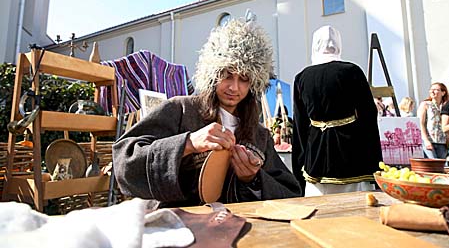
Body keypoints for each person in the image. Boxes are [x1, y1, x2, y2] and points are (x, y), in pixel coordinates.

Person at [112, 16, 302, 207]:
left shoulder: (260, 135)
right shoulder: (180, 109)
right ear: (212, 74)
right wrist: (187, 143)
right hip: (179, 227)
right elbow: (124, 161)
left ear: (254, 83)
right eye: (226, 75)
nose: (234, 87)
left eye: (244, 79)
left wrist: (253, 179)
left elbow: (291, 192)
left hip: (241, 229)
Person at [292, 25, 383, 196]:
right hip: (351, 152)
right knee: (355, 207)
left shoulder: (302, 77)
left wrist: (299, 164)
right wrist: (374, 160)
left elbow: (300, 124)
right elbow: (368, 116)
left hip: (316, 154)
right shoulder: (352, 71)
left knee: (318, 206)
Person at [417, 83, 448, 159]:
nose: (432, 91)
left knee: (441, 166)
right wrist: (426, 140)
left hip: (442, 142)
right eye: (431, 89)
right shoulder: (425, 104)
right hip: (429, 140)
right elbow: (421, 123)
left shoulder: (445, 106)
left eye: (436, 90)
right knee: (432, 162)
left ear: (443, 93)